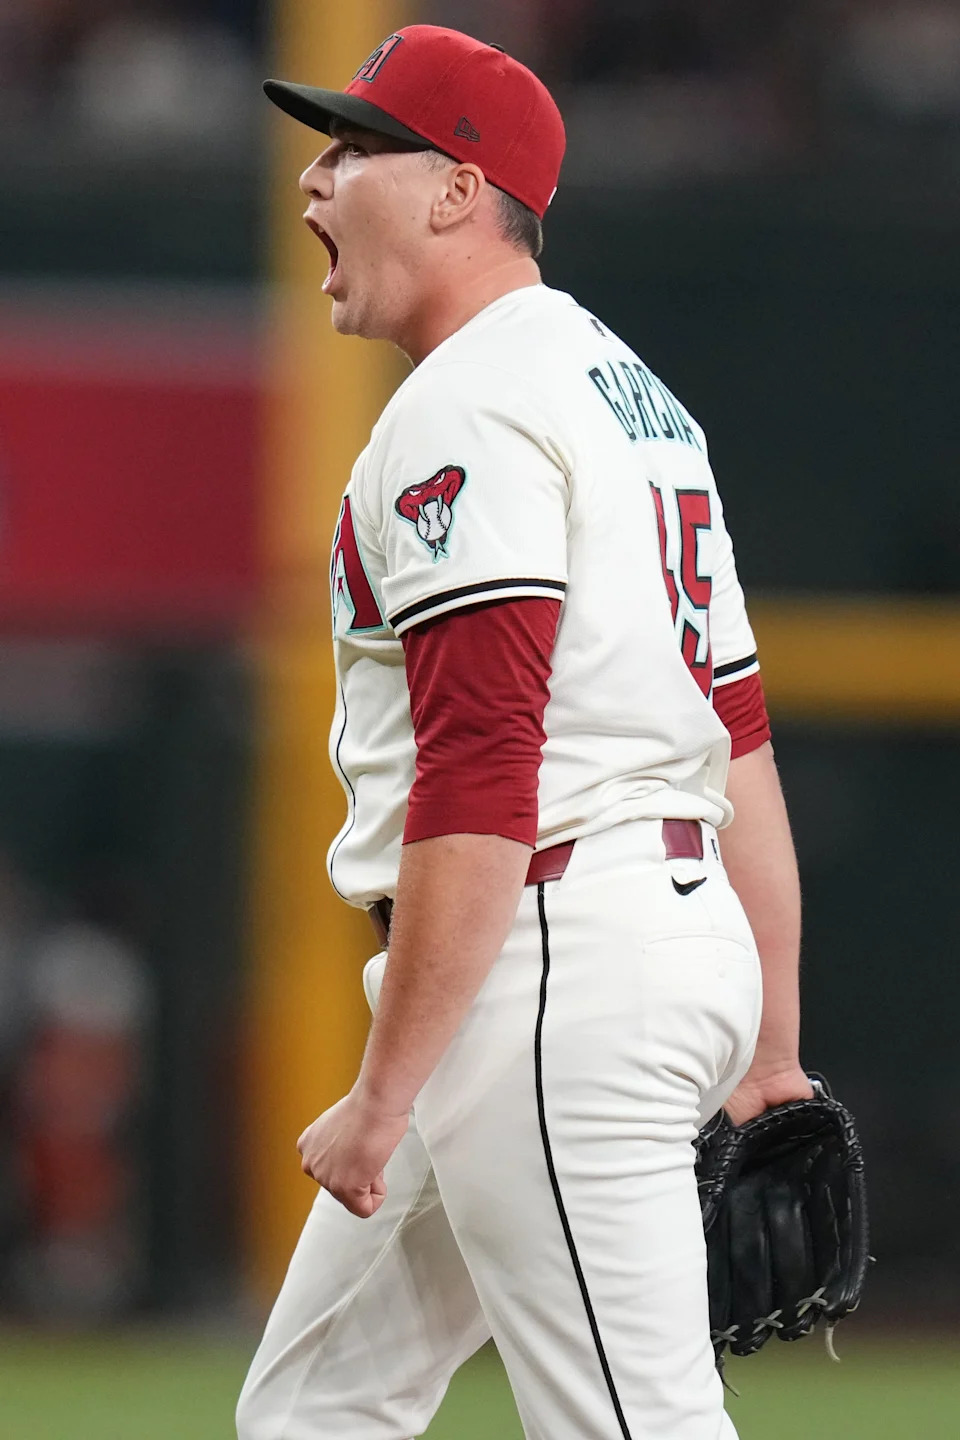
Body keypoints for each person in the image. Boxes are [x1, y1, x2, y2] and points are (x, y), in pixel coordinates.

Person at [238, 24, 812, 1440]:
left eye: (355, 147)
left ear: (453, 191)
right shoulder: (641, 405)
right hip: (633, 937)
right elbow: (737, 744)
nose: (314, 180)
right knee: (311, 1413)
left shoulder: (471, 403)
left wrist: (382, 1097)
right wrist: (771, 1041)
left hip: (551, 960)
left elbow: (483, 763)